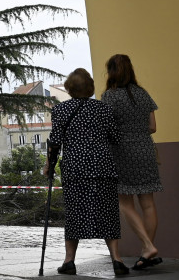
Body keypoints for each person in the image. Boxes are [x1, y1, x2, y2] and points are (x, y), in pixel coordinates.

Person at [43, 68, 129, 276]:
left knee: (74, 213)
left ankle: (69, 261)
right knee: (108, 212)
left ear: (69, 88)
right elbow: (116, 138)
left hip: (75, 169)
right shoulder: (103, 109)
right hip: (103, 167)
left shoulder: (61, 110)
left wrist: (50, 165)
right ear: (90, 88)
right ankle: (117, 260)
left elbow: (54, 142)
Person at [101, 54, 162, 270]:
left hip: (122, 152)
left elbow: (106, 128)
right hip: (146, 149)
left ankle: (147, 245)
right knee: (148, 203)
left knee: (125, 202)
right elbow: (153, 127)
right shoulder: (143, 94)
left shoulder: (110, 96)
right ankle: (148, 252)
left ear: (112, 72)